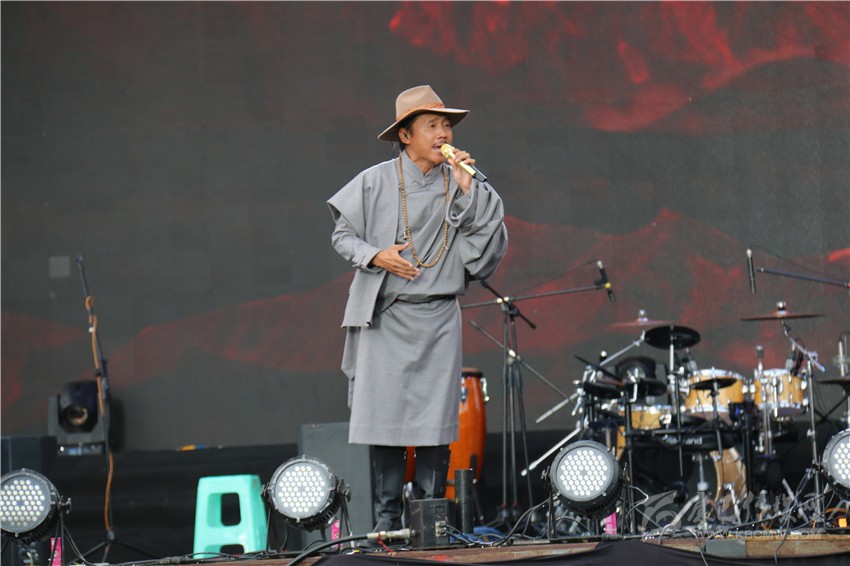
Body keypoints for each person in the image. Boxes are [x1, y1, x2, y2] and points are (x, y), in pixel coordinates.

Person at [327, 85, 508, 533]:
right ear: (405, 135)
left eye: (446, 125)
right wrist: (376, 255)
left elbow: (487, 243)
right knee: (384, 420)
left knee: (435, 421)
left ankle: (430, 519)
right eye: (432, 125)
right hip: (386, 316)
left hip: (438, 316)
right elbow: (342, 236)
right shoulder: (374, 181)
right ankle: (387, 521)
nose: (444, 133)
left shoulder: (464, 180)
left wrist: (466, 192)